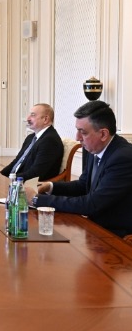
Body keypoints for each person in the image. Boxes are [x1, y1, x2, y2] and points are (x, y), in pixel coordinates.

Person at [27, 101, 132, 237]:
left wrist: (37, 200)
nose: (77, 138)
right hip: (94, 227)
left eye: (83, 132)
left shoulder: (123, 158)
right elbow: (83, 185)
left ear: (103, 134)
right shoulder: (95, 148)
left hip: (116, 236)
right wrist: (50, 186)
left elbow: (92, 204)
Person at [0, 103, 64, 181]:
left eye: (33, 115)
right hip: (17, 180)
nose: (28, 118)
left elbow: (36, 173)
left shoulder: (50, 141)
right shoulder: (30, 137)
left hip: (28, 185)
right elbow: (16, 162)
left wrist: (10, 180)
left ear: (45, 119)